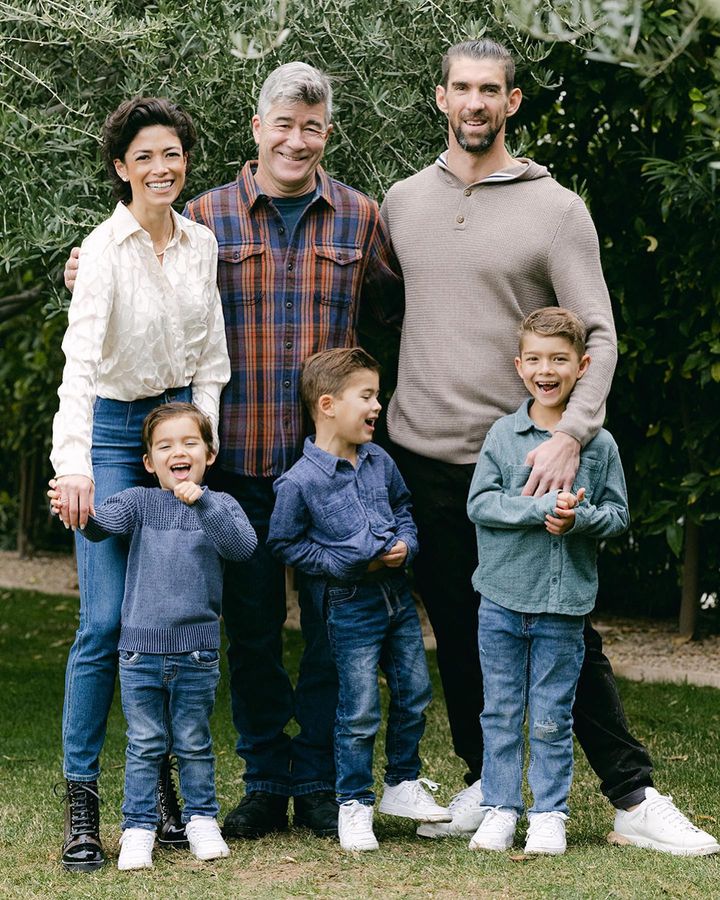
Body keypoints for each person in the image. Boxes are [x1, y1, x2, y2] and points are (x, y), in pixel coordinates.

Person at [381, 38, 720, 855]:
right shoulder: (399, 202)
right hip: (419, 455)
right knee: (463, 633)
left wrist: (571, 433)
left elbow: (598, 333)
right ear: (440, 99)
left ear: (513, 103)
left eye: (490, 90)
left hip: (522, 463)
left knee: (567, 635)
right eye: (460, 88)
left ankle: (634, 798)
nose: (474, 103)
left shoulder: (556, 209)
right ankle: (486, 787)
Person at [67, 62, 403, 839]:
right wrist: (79, 267)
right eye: (282, 124)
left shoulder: (361, 216)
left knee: (330, 632)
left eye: (311, 126)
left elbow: (388, 323)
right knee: (249, 634)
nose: (296, 139)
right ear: (257, 129)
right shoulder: (207, 216)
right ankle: (263, 779)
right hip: (242, 462)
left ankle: (320, 781)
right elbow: (141, 277)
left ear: (327, 133)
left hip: (328, 474)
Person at [52, 97, 230, 871]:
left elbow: (213, 361)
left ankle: (159, 792)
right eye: (145, 157)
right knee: (102, 622)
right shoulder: (101, 252)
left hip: (172, 430)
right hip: (111, 435)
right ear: (121, 168)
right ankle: (83, 801)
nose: (162, 167)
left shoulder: (202, 244)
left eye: (173, 153)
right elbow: (80, 368)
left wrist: (195, 441)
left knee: (168, 612)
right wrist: (75, 467)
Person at [267, 347, 450, 852]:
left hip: (396, 599)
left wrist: (406, 546)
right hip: (348, 606)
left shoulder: (379, 460)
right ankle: (353, 802)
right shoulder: (299, 482)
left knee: (414, 692)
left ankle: (402, 784)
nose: (378, 405)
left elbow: (404, 508)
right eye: (367, 396)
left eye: (378, 394)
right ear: (327, 404)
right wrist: (344, 562)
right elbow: (284, 544)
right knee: (360, 708)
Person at [467, 308, 629, 855]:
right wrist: (537, 510)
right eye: (535, 359)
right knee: (501, 709)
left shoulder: (599, 445)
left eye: (559, 359)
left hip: (564, 606)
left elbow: (618, 514)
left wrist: (577, 519)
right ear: (518, 366)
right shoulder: (503, 434)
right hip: (502, 601)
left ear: (582, 367)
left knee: (554, 714)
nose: (546, 369)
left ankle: (548, 814)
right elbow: (481, 504)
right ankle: (499, 808)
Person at [67, 403, 257, 869]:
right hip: (139, 654)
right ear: (150, 462)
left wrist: (204, 502)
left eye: (190, 442)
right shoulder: (139, 502)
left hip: (197, 653)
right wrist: (79, 512)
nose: (179, 451)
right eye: (166, 445)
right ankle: (138, 827)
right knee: (145, 743)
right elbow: (101, 527)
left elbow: (243, 547)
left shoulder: (222, 505)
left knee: (193, 741)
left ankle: (201, 820)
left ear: (208, 454)